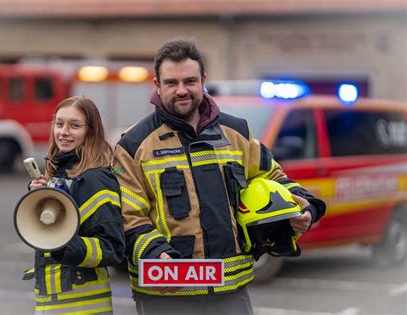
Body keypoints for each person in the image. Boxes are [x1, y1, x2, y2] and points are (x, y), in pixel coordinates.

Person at [113, 39, 326, 315]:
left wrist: (305, 206)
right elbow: (127, 215)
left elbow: (273, 178)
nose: (181, 90)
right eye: (171, 83)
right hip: (166, 297)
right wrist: (154, 253)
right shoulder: (134, 145)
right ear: (157, 84)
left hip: (230, 294)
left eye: (190, 81)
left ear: (203, 80)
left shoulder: (236, 133)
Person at [26, 96, 125, 314]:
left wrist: (63, 245)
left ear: (91, 131)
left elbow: (112, 248)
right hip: (53, 305)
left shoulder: (96, 180)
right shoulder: (59, 174)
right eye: (59, 124)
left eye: (74, 126)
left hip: (84, 307)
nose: (63, 132)